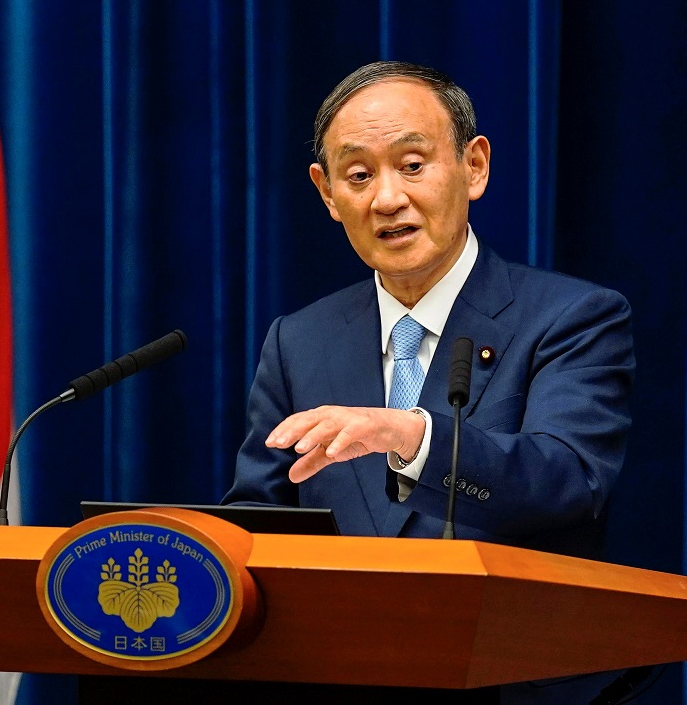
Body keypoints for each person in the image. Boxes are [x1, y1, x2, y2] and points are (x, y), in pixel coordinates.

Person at [223, 60, 635, 561]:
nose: (388, 199)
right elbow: (259, 524)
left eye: (413, 165)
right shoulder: (300, 341)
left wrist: (412, 437)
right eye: (358, 175)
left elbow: (569, 482)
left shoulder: (573, 317)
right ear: (327, 192)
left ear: (474, 166)